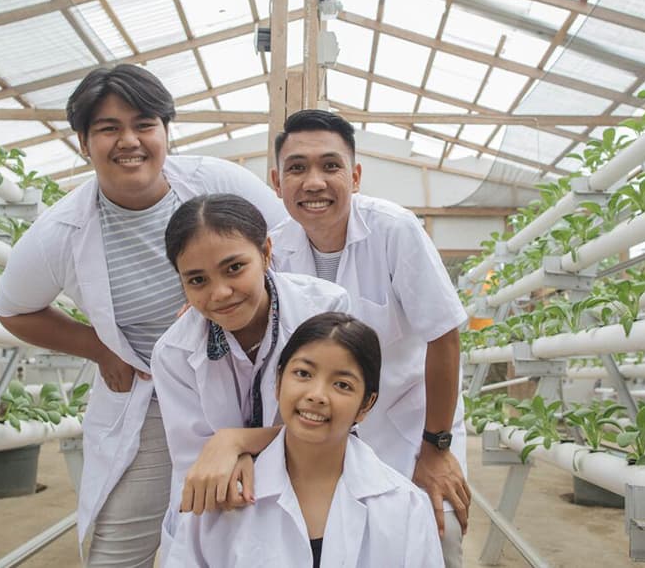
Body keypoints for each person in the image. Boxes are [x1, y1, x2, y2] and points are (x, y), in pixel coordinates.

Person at [0, 64, 287, 566]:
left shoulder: (216, 181)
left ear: (165, 132)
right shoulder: (62, 231)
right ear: (84, 143)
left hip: (257, 376)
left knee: (257, 528)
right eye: (108, 129)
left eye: (144, 124)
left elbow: (286, 246)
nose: (129, 140)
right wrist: (97, 346)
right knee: (117, 549)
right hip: (153, 395)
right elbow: (13, 310)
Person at [271, 109, 471, 566]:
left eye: (331, 166)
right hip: (321, 429)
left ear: (355, 175)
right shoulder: (274, 248)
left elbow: (443, 337)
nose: (314, 182)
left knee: (439, 531)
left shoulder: (394, 230)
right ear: (277, 181)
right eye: (297, 168)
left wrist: (436, 448)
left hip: (408, 423)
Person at [164, 312, 443, 567]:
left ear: (366, 406)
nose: (317, 394)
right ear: (278, 381)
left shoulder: (405, 506)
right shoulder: (223, 497)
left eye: (342, 385)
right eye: (303, 373)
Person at [151, 193, 350, 541]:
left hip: (314, 495)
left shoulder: (325, 311)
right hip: (222, 516)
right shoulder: (174, 352)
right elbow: (202, 467)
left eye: (234, 268)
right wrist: (230, 452)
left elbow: (338, 427)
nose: (220, 292)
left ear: (266, 252)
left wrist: (235, 441)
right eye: (197, 280)